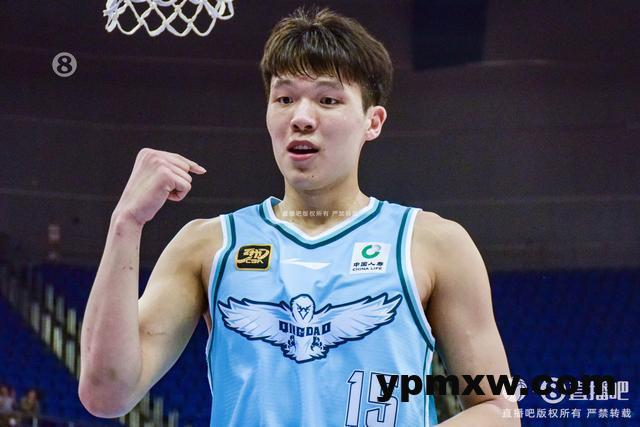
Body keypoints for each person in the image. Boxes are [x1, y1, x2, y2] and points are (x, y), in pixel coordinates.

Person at [79, 7, 518, 426]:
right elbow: (106, 395)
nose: (301, 118)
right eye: (285, 98)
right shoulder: (208, 245)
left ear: (373, 122)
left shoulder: (434, 244)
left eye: (328, 99)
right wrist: (125, 224)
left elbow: (499, 409)